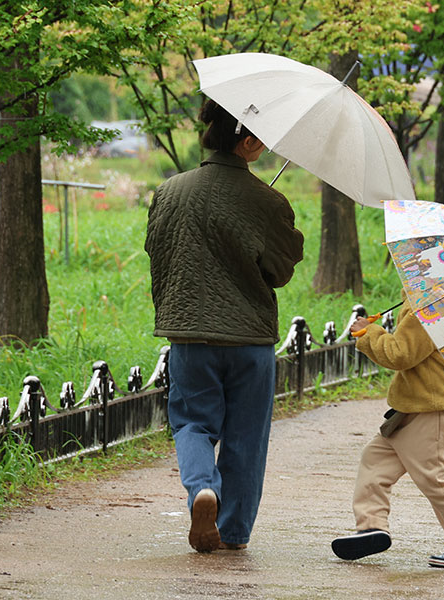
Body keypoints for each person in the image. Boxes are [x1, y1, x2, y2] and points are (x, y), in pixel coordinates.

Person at [145, 98, 304, 553]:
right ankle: (232, 533)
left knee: (193, 424)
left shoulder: (169, 192)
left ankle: (202, 491)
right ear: (247, 141)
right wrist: (284, 233)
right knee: (246, 440)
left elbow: (156, 251)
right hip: (249, 339)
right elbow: (279, 271)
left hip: (190, 334)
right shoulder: (268, 200)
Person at [330, 304, 444, 569]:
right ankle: (372, 527)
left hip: (432, 409)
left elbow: (401, 354)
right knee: (375, 460)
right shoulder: (432, 304)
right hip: (414, 407)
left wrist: (369, 333)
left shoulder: (430, 310)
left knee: (433, 479)